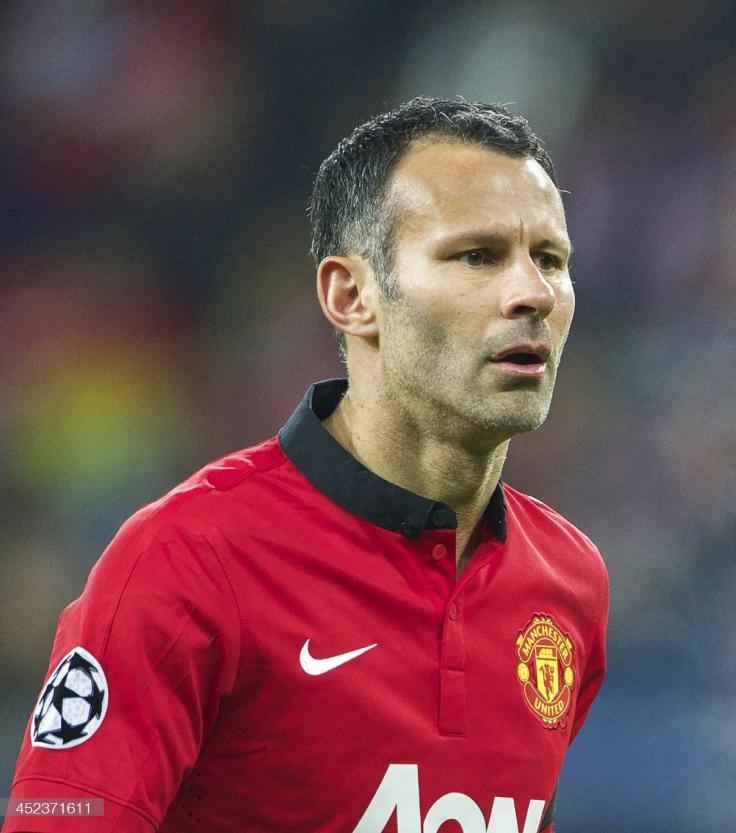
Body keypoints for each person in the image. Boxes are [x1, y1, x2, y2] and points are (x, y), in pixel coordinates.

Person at [3, 97, 609, 833]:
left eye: (550, 259)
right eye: (476, 255)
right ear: (351, 295)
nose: (533, 294)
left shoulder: (569, 584)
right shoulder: (187, 560)